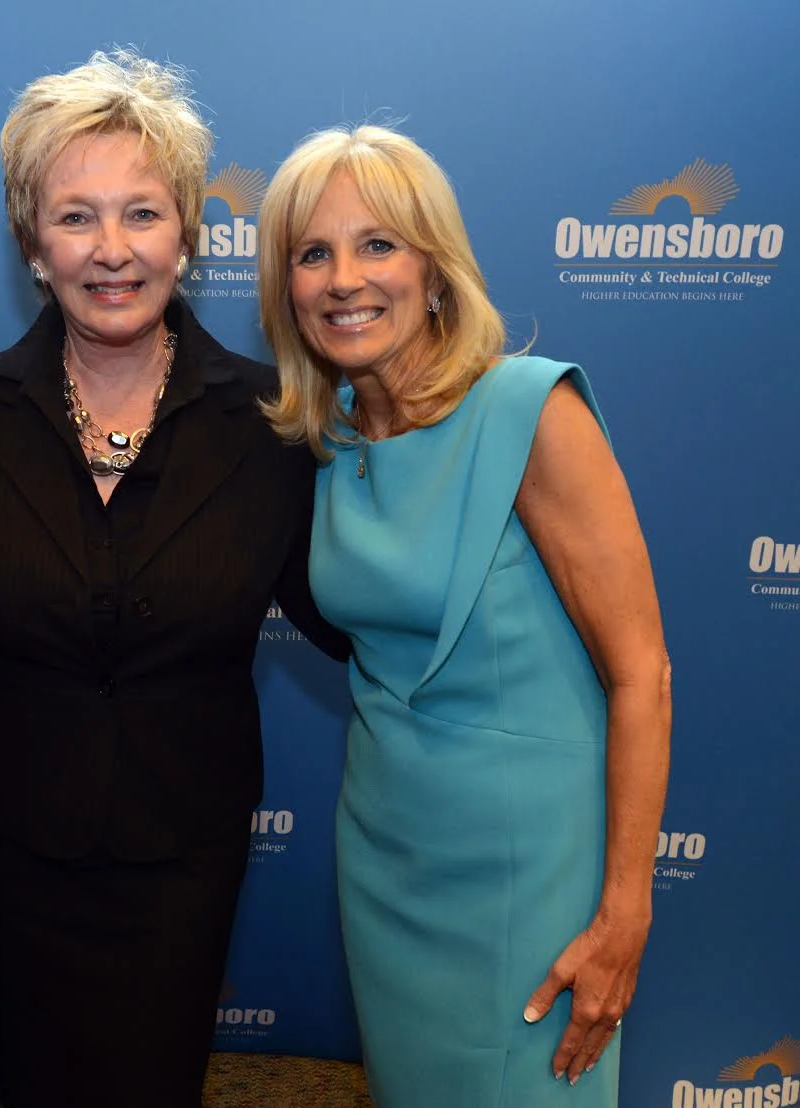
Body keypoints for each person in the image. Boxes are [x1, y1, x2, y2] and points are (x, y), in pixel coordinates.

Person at [0, 51, 348, 1108]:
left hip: (184, 846)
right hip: (15, 839)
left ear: (188, 235)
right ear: (31, 244)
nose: (110, 251)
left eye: (142, 214)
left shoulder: (273, 422)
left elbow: (350, 614)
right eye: (75, 218)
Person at [257, 125, 671, 1107]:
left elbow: (640, 674)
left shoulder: (530, 410)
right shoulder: (329, 438)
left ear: (433, 269)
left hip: (528, 872)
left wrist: (624, 914)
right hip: (387, 860)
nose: (343, 278)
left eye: (377, 244)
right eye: (312, 252)